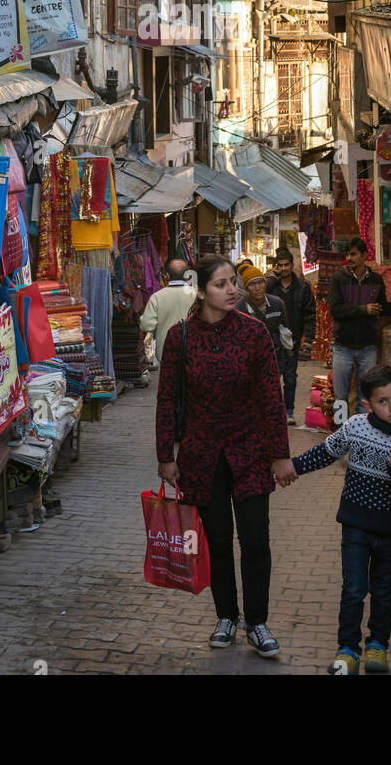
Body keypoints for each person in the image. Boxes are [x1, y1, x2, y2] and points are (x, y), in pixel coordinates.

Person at [155, 256, 297, 658]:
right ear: (201, 291)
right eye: (222, 284)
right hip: (201, 456)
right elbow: (167, 400)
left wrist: (280, 455)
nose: (232, 289)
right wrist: (167, 455)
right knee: (216, 541)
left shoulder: (254, 333)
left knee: (255, 539)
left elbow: (272, 397)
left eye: (233, 282)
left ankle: (257, 622)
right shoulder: (180, 337)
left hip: (250, 451)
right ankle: (225, 617)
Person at [289, 364, 391, 675]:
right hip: (356, 527)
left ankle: (378, 646)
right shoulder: (356, 427)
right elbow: (326, 452)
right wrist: (293, 467)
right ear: (367, 404)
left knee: (383, 590)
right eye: (383, 401)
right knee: (353, 589)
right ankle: (347, 648)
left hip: (389, 530)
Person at [327, 238, 391, 422]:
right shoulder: (338, 279)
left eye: (354, 254)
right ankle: (341, 433)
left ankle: (362, 432)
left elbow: (383, 307)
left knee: (365, 396)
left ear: (364, 256)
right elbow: (335, 309)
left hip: (368, 346)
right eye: (347, 254)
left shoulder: (376, 280)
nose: (349, 258)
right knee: (340, 396)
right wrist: (364, 310)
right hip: (343, 346)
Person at [268, 247, 316, 425]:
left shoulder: (302, 288)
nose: (283, 269)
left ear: (292, 264)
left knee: (289, 378)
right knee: (271, 378)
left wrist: (308, 340)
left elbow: (310, 315)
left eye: (286, 265)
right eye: (279, 266)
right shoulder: (271, 286)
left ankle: (288, 412)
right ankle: (272, 411)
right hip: (272, 341)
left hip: (292, 341)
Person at [139, 258, 194, 364]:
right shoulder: (196, 295)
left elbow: (147, 325)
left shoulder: (157, 297)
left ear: (167, 275)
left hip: (166, 351)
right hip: (192, 349)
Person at [236, 267, 289, 359]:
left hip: (274, 355)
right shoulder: (239, 308)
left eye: (260, 282)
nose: (257, 288)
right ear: (246, 288)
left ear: (265, 284)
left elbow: (284, 328)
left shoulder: (277, 304)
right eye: (252, 284)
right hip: (249, 357)